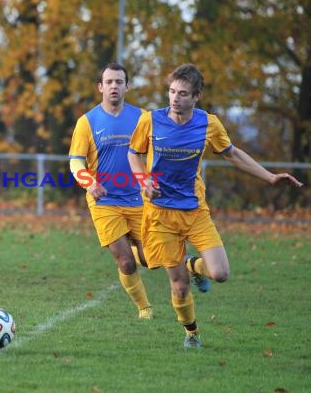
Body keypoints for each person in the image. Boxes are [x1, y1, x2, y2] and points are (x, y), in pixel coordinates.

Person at [127, 63, 303, 349]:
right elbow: (134, 154)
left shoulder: (208, 124)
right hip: (160, 214)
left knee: (220, 274)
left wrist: (270, 176)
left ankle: (194, 266)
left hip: (195, 212)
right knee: (179, 286)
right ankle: (192, 333)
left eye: (183, 93)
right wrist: (143, 181)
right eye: (171, 91)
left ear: (196, 96)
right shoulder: (150, 120)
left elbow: (232, 154)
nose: (175, 98)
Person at [69, 62, 154, 320]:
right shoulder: (87, 122)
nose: (114, 86)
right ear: (100, 87)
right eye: (109, 82)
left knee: (152, 259)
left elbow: (154, 154)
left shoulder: (143, 118)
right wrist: (90, 182)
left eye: (119, 81)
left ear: (127, 86)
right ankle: (145, 309)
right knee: (126, 261)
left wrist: (152, 181)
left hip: (138, 200)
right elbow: (75, 161)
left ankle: (193, 266)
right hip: (104, 201)